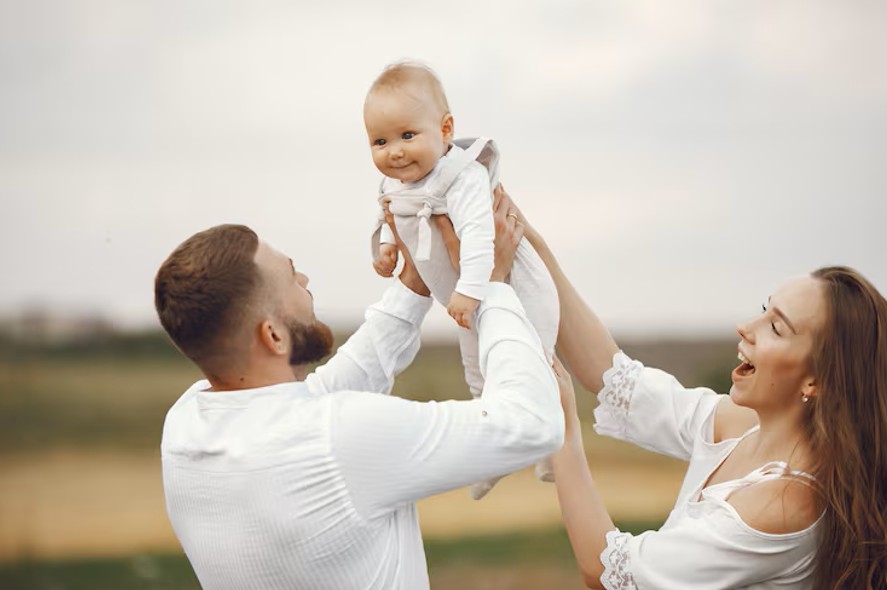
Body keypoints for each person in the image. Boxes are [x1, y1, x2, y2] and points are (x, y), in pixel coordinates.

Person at [153, 194, 563, 590]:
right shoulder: (336, 439)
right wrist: (490, 286)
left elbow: (318, 397)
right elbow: (530, 424)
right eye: (291, 276)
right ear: (273, 336)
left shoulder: (184, 425)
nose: (304, 280)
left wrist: (414, 283)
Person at [495, 188, 887, 589]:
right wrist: (526, 240)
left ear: (816, 381)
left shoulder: (785, 503)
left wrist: (564, 431)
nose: (746, 328)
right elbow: (612, 376)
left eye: (775, 327)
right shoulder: (741, 425)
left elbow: (606, 572)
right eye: (763, 310)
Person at [365, 61, 560, 498]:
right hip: (465, 295)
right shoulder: (395, 186)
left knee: (535, 358)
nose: (394, 151)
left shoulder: (461, 177)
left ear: (446, 129)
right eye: (380, 141)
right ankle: (490, 455)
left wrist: (471, 291)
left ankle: (550, 444)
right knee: (476, 372)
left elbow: (478, 236)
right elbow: (390, 218)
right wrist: (387, 249)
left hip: (511, 283)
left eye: (407, 135)